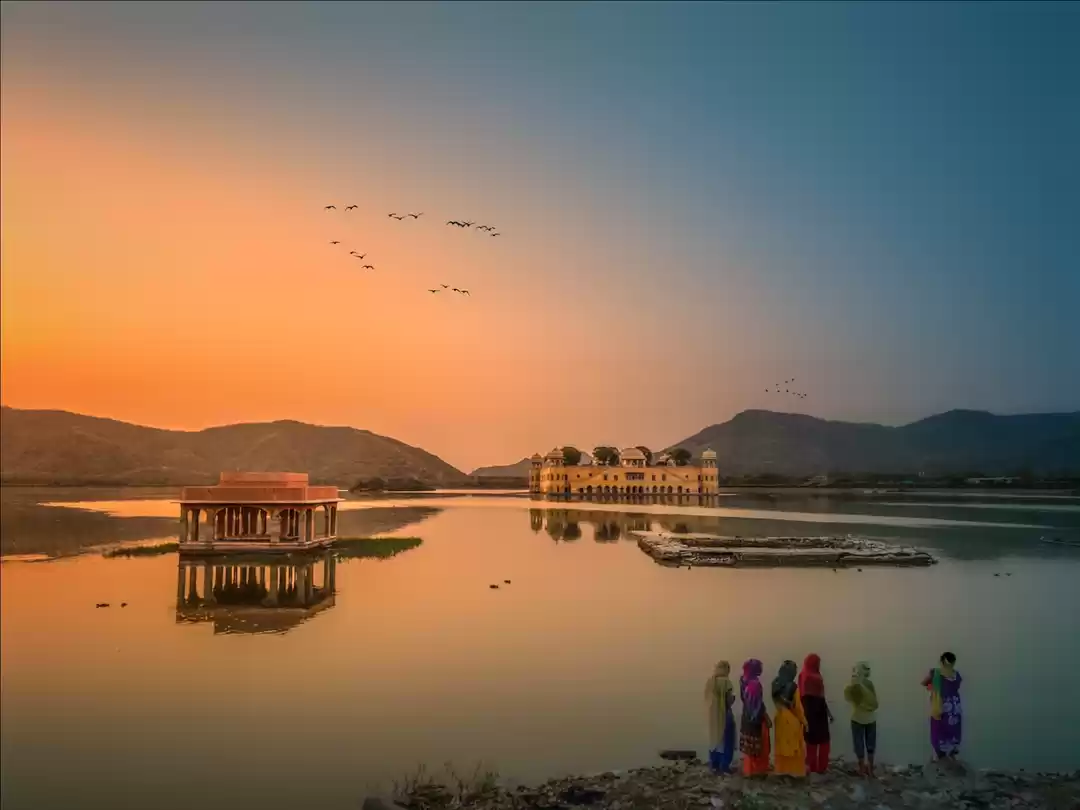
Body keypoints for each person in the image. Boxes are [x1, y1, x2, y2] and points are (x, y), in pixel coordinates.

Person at [922, 651, 962, 760]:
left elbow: (924, 683)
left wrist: (933, 686)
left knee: (938, 730)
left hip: (941, 706)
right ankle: (952, 755)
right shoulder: (957, 675)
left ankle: (940, 757)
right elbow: (956, 686)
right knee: (953, 730)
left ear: (941, 661)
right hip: (955, 707)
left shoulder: (935, 673)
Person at [772, 660, 808, 777]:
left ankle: (781, 770)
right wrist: (805, 722)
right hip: (791, 720)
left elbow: (776, 701)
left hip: (779, 717)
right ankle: (794, 772)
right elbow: (797, 708)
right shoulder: (793, 687)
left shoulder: (775, 684)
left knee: (781, 746)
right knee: (793, 747)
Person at [799, 653, 833, 774]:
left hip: (812, 711)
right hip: (813, 712)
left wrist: (829, 713)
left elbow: (819, 697)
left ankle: (814, 767)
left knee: (814, 741)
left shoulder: (804, 675)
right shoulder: (810, 676)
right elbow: (812, 697)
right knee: (820, 741)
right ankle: (818, 768)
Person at [844, 661, 879, 776]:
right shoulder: (869, 684)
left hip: (857, 718)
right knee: (870, 745)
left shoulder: (854, 685)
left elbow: (849, 698)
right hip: (870, 719)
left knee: (859, 744)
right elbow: (875, 704)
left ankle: (862, 770)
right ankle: (870, 770)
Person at [739, 659, 772, 777]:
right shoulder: (755, 684)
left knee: (749, 745)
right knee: (759, 745)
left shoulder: (743, 680)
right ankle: (757, 770)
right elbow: (757, 705)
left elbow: (746, 700)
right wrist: (765, 716)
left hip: (746, 716)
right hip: (755, 719)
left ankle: (749, 769)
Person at [705, 660, 736, 773]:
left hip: (712, 716)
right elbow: (728, 701)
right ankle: (724, 765)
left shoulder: (710, 681)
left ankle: (714, 764)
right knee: (726, 739)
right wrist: (733, 700)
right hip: (724, 714)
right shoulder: (726, 682)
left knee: (715, 739)